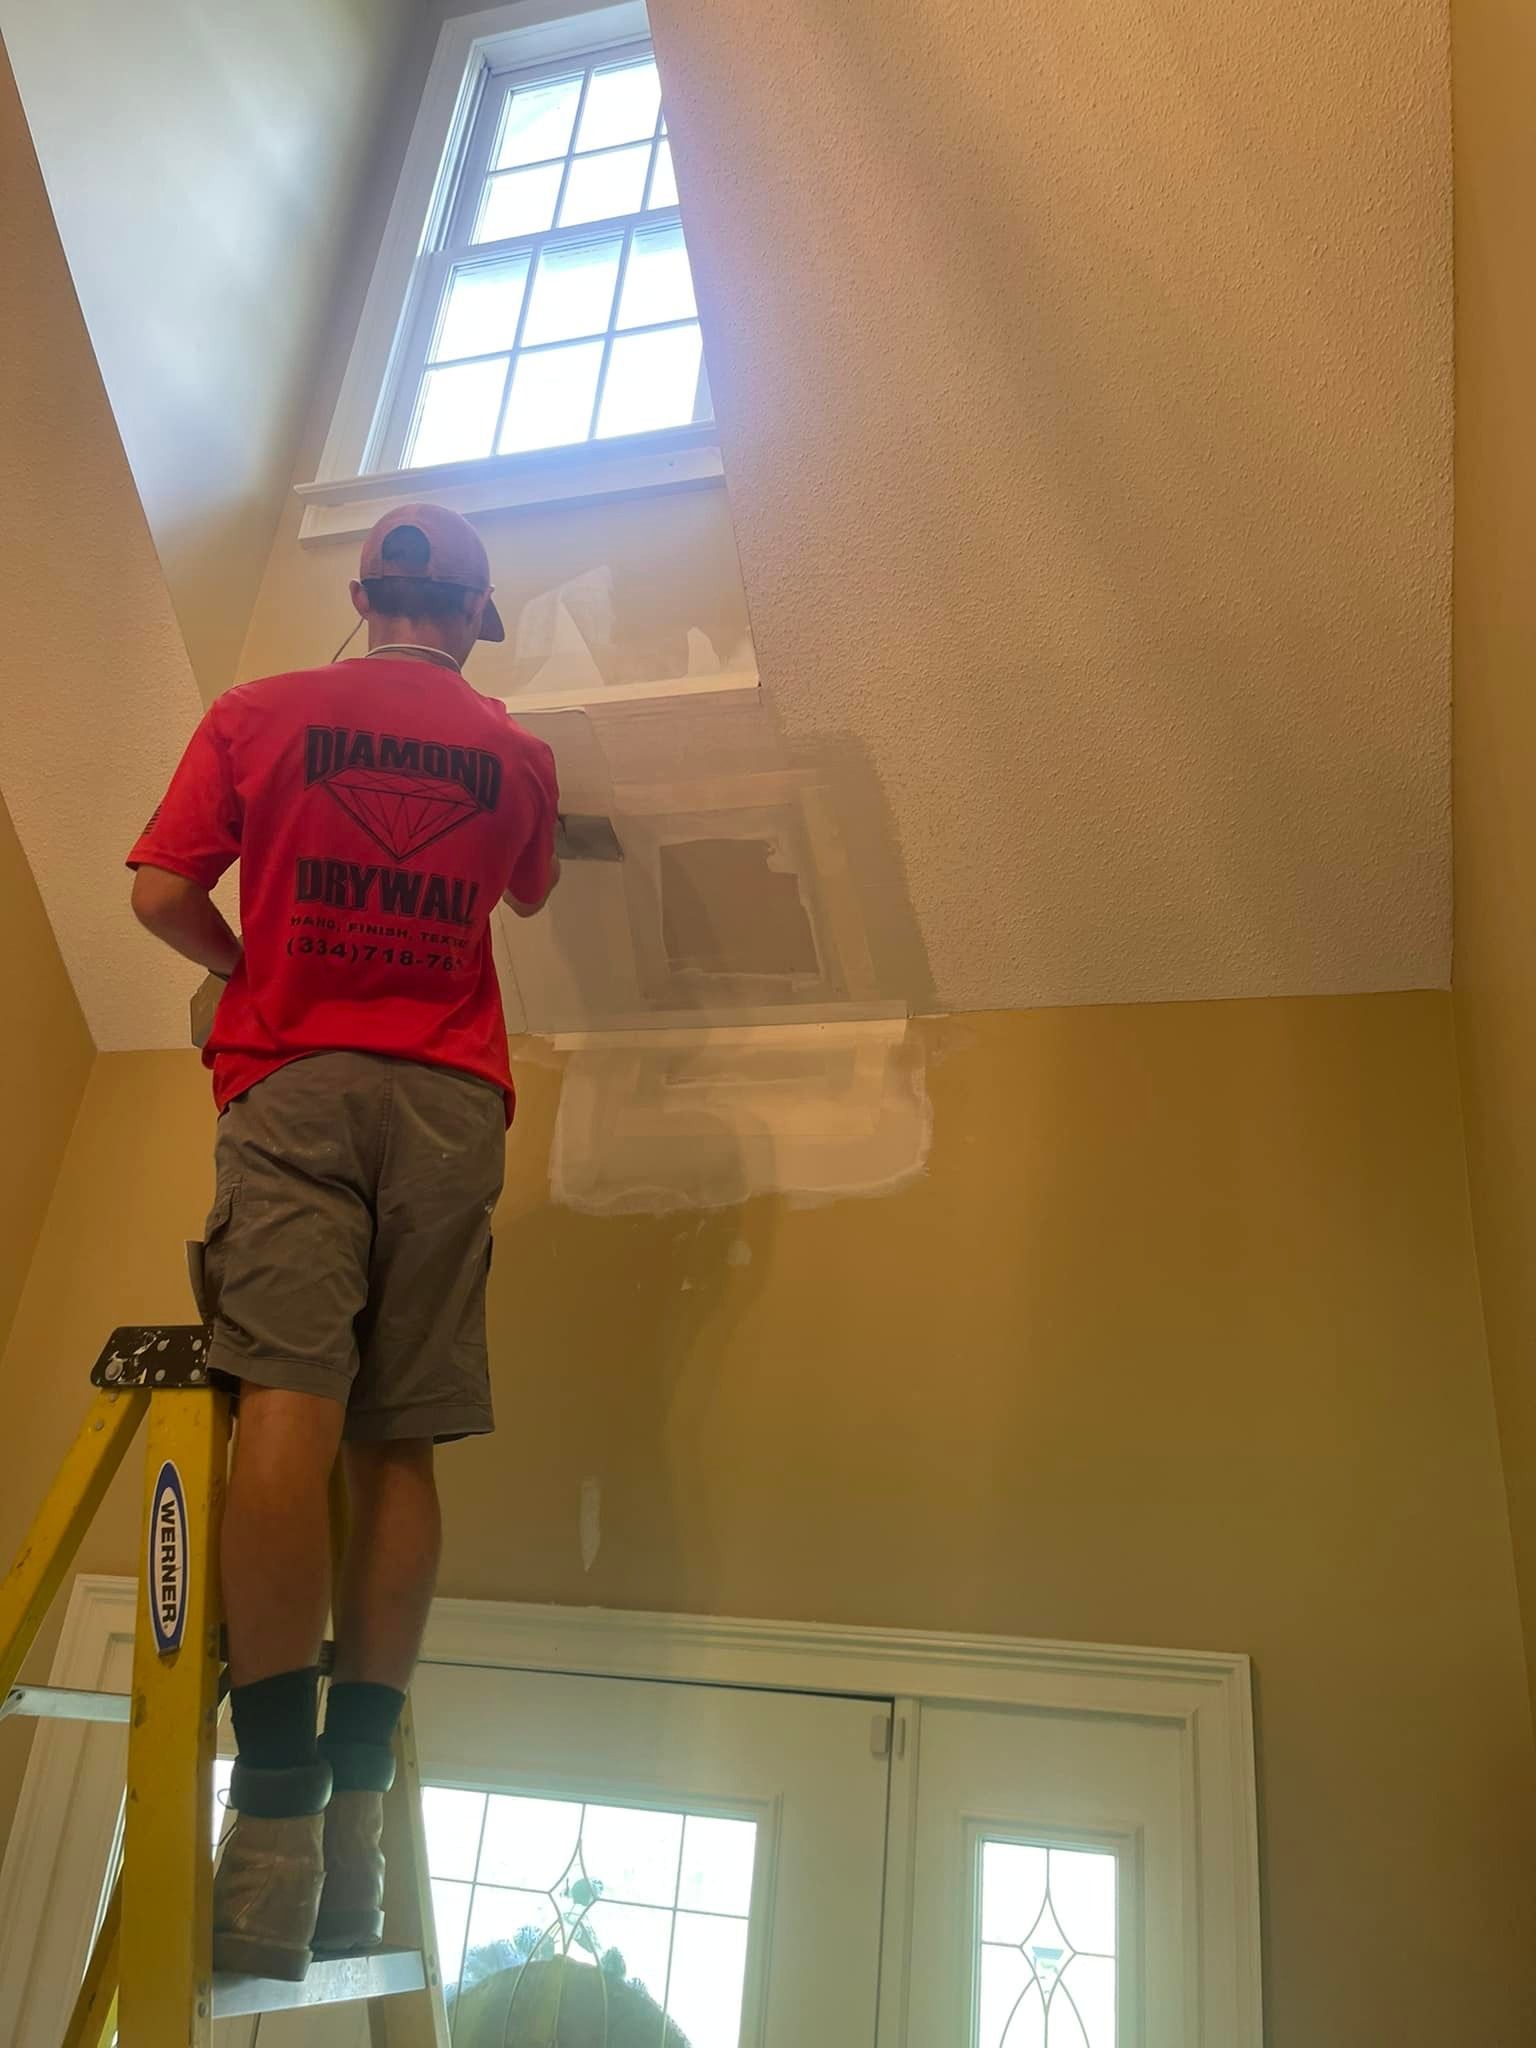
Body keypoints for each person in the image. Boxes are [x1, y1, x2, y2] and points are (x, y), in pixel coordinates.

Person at [127, 503, 560, 1981]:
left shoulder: (259, 713)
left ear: (361, 595)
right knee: (401, 1444)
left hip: (296, 1084)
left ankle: (276, 1820)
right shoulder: (514, 753)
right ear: (475, 617)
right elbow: (529, 885)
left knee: (286, 1416)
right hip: (452, 1106)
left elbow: (160, 894)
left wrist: (254, 975)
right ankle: (359, 1833)